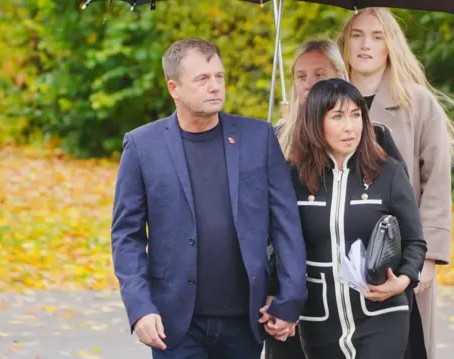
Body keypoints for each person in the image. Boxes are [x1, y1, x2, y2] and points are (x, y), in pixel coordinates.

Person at [110, 37, 307, 359]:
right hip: (174, 324)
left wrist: (290, 298)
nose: (215, 86)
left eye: (219, 76)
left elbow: (286, 224)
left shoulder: (258, 138)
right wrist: (140, 307)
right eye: (202, 79)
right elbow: (126, 236)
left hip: (247, 320)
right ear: (174, 88)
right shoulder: (143, 146)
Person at [263, 37, 408, 359]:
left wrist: (406, 269)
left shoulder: (375, 136)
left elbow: (399, 210)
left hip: (363, 297)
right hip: (296, 296)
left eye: (319, 75)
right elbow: (268, 226)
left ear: (340, 78)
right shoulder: (273, 139)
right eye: (301, 76)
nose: (309, 84)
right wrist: (275, 289)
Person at [338, 8, 454, 359]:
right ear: (345, 43)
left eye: (377, 36)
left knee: (405, 346)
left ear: (391, 45)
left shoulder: (417, 103)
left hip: (399, 253)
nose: (366, 45)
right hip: (338, 251)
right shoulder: (325, 102)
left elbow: (437, 182)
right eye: (357, 35)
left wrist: (427, 258)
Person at [282, 78, 427, 358]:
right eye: (337, 116)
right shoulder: (293, 178)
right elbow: (278, 244)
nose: (350, 127)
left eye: (356, 115)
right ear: (315, 122)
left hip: (383, 314)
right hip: (319, 319)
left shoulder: (389, 173)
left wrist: (404, 279)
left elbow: (415, 241)